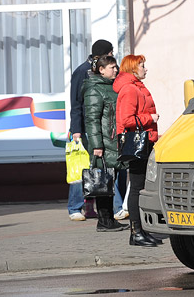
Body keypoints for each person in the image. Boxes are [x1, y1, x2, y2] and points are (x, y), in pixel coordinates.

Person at [115, 54, 161, 247]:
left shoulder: (137, 87)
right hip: (137, 144)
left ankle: (142, 230)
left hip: (145, 142)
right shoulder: (130, 90)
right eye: (142, 65)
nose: (145, 69)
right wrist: (150, 118)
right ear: (134, 69)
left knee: (141, 187)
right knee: (136, 188)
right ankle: (136, 233)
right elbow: (126, 120)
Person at [68, 39, 114, 221]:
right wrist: (76, 129)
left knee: (99, 168)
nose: (112, 56)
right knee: (81, 167)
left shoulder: (106, 70)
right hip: (85, 128)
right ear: (101, 54)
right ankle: (74, 207)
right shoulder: (82, 72)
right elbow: (76, 102)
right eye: (110, 53)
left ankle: (92, 206)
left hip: (101, 127)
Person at [83, 54, 127, 232]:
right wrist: (97, 145)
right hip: (103, 144)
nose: (116, 70)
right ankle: (104, 221)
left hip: (113, 141)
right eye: (112, 67)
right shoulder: (94, 89)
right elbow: (92, 120)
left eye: (116, 67)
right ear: (101, 70)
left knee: (109, 180)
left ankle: (108, 219)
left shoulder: (110, 87)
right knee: (102, 182)